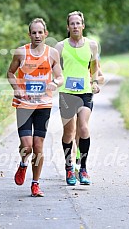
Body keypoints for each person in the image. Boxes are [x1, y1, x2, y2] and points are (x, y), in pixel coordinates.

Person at [7, 18, 64, 197]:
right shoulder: (21, 53)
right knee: (27, 146)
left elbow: (60, 76)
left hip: (43, 105)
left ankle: (35, 184)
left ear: (46, 34)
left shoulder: (52, 53)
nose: (37, 35)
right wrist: (16, 88)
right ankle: (23, 164)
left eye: (40, 32)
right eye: (34, 32)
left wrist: (55, 83)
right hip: (23, 104)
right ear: (29, 34)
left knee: (38, 147)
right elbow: (10, 72)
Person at [55, 11, 100, 186]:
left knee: (83, 128)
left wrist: (95, 82)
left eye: (78, 23)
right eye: (72, 23)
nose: (75, 26)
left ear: (83, 26)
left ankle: (83, 168)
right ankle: (69, 167)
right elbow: (55, 68)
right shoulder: (60, 47)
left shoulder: (92, 45)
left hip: (85, 92)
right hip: (67, 93)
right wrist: (56, 80)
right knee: (69, 132)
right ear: (68, 27)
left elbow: (95, 66)